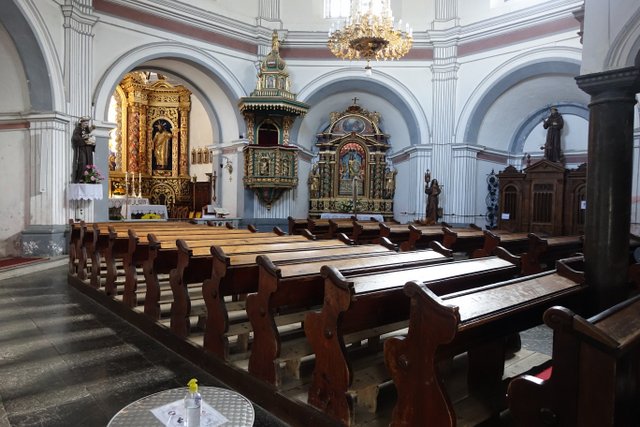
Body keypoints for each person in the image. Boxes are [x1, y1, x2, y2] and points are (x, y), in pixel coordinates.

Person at [71, 116, 96, 183]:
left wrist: (92, 143)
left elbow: (89, 135)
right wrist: (85, 141)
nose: (86, 125)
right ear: (81, 123)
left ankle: (88, 178)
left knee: (89, 163)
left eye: (87, 123)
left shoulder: (87, 129)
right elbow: (75, 138)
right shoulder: (78, 129)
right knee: (83, 163)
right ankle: (81, 178)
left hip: (88, 149)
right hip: (82, 149)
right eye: (85, 123)